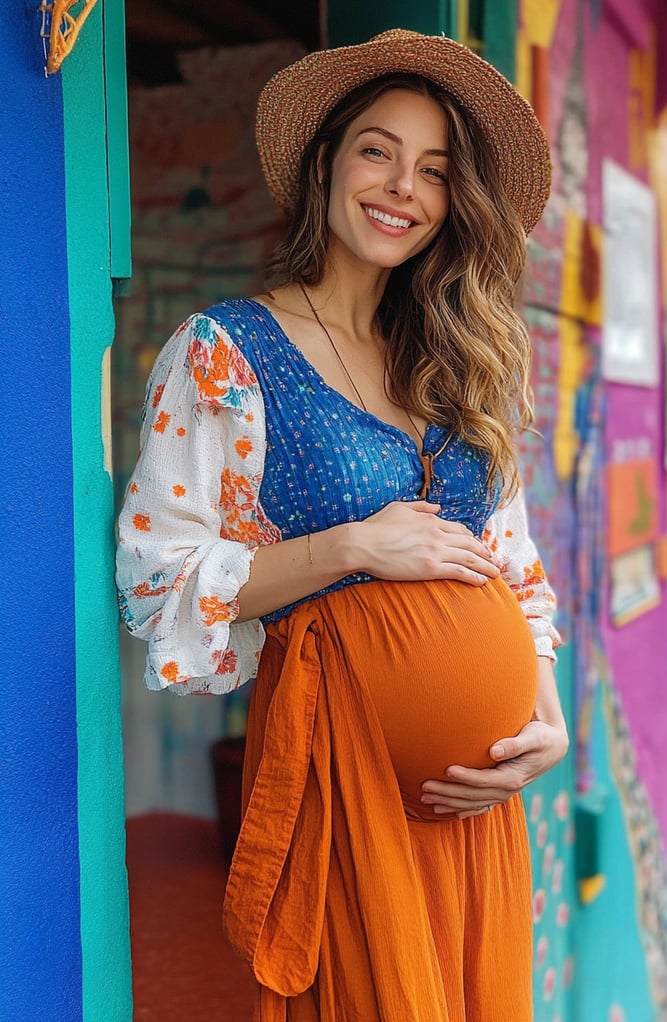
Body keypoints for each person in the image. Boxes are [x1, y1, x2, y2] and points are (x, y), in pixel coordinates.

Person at [117, 29, 567, 1022]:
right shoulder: (227, 351)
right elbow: (158, 578)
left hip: (477, 809)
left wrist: (546, 718)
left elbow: (513, 564)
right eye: (378, 149)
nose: (403, 185)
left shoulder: (460, 361)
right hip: (347, 777)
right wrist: (353, 546)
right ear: (325, 162)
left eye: (435, 170)